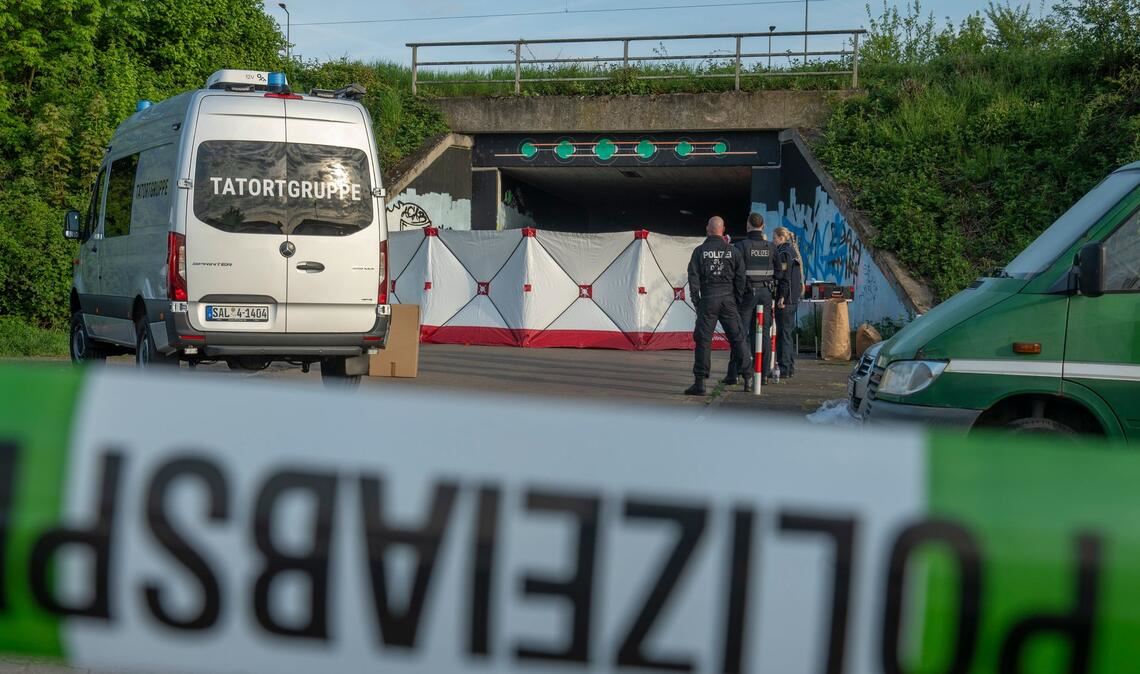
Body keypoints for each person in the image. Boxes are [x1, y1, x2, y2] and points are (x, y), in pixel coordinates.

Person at [685, 216, 752, 395]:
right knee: (738, 338)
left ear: (708, 229)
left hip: (708, 298)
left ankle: (700, 383)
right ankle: (748, 377)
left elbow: (693, 278)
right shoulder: (733, 251)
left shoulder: (699, 252)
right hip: (728, 298)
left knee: (703, 340)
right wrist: (736, 299)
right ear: (723, 230)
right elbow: (741, 278)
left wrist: (697, 301)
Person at [724, 212, 776, 386]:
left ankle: (738, 372)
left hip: (747, 295)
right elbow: (779, 272)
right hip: (766, 294)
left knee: (741, 334)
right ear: (763, 226)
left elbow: (734, 273)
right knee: (763, 334)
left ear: (748, 225)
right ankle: (764, 374)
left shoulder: (740, 247)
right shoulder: (771, 247)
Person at [773, 226, 804, 380]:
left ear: (781, 238)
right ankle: (790, 367)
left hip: (786, 300)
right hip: (793, 299)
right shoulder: (793, 252)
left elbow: (784, 277)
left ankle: (784, 368)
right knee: (788, 334)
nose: (773, 241)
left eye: (774, 238)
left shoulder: (783, 253)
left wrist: (781, 297)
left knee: (783, 335)